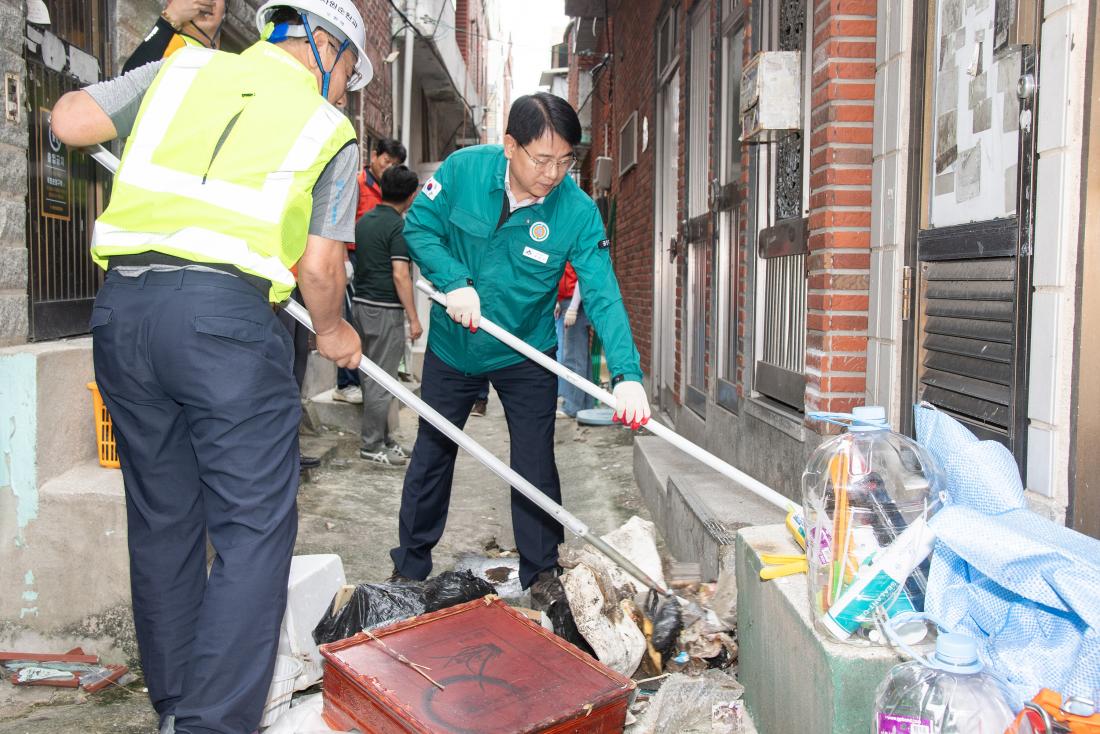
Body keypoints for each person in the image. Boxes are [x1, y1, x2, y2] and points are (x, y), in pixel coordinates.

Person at [49, 0, 370, 730]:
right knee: (253, 528)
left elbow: (68, 120)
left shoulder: (179, 70)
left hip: (124, 315)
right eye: (350, 68)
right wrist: (333, 332)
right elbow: (321, 264)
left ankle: (175, 707)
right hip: (224, 326)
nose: (347, 88)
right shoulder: (329, 128)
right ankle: (209, 724)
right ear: (321, 45)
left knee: (164, 519)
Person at [391, 92, 651, 590]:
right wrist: (453, 280)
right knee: (433, 452)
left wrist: (627, 375)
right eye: (543, 159)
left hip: (525, 351)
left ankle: (542, 574)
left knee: (533, 461)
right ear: (510, 145)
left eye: (566, 161)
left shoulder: (575, 211)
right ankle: (409, 567)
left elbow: (602, 291)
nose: (554, 174)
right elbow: (419, 227)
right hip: (453, 345)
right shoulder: (464, 170)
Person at [351, 164, 422, 466]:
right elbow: (400, 275)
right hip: (385, 311)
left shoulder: (364, 221)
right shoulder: (399, 227)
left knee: (373, 377)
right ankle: (371, 445)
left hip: (359, 306)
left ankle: (384, 439)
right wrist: (414, 317)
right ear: (410, 196)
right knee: (382, 379)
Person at [332, 137, 408, 405]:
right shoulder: (356, 182)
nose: (388, 168)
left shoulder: (386, 188)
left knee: (368, 325)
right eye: (386, 162)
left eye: (394, 165)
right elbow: (338, 220)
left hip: (373, 256)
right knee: (352, 319)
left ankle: (369, 380)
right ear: (374, 156)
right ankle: (346, 383)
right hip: (351, 255)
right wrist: (343, 260)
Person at [122, 0, 225, 74]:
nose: (206, 2)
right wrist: (170, 18)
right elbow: (128, 85)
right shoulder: (170, 47)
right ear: (172, 3)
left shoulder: (232, 61)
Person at [554, 262, 592, 418]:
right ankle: (585, 405)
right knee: (580, 356)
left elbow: (582, 276)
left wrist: (573, 307)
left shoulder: (575, 243)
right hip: (569, 301)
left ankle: (572, 406)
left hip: (574, 301)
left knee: (573, 357)